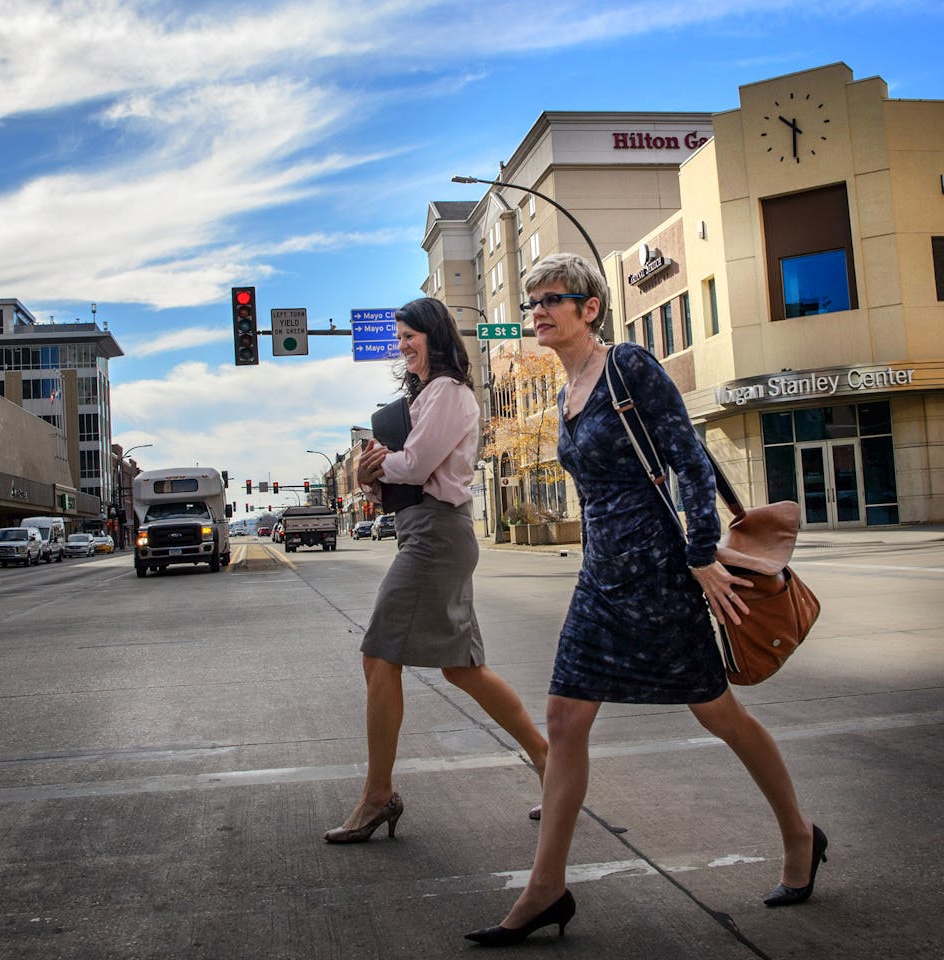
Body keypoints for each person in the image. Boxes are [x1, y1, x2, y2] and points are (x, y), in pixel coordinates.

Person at [464, 254, 826, 947]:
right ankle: (546, 889)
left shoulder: (629, 366)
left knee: (719, 714)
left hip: (661, 579)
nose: (537, 310)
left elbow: (690, 460)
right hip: (600, 581)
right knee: (564, 718)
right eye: (534, 300)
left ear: (589, 307)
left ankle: (799, 836)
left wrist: (698, 556)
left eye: (551, 299)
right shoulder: (565, 388)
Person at [324, 297, 549, 844]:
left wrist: (381, 463)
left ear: (434, 335)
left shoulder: (449, 393)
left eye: (410, 336)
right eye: (398, 338)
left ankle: (378, 796)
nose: (403, 345)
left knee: (379, 656)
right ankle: (551, 765)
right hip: (422, 529)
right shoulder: (420, 397)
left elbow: (419, 465)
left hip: (436, 536)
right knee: (462, 668)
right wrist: (368, 472)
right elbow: (394, 482)